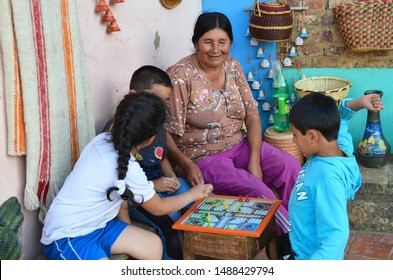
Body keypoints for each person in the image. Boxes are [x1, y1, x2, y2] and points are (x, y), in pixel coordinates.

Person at [164, 11, 301, 255]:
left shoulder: (233, 66)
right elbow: (166, 134)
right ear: (196, 42)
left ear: (230, 43)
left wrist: (255, 159)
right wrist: (186, 165)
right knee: (258, 192)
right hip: (203, 157)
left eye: (222, 42)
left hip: (240, 144)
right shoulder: (180, 76)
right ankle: (286, 246)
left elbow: (252, 116)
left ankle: (299, 230)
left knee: (289, 166)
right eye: (208, 42)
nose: (215, 49)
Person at [41, 92, 213, 260]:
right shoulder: (127, 167)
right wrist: (193, 194)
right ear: (151, 138)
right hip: (68, 235)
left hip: (100, 225)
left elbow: (120, 190)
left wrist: (126, 225)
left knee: (153, 245)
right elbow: (159, 207)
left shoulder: (102, 140)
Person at [102, 65, 192, 260]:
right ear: (133, 95)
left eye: (165, 101)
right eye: (155, 99)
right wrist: (154, 185)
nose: (161, 107)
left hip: (159, 185)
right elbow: (120, 186)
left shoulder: (156, 126)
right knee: (174, 223)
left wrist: (171, 176)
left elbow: (162, 156)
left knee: (199, 202)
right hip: (137, 197)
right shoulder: (119, 132)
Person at [288, 92, 383, 260]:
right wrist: (360, 102)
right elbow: (343, 119)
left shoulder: (327, 180)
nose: (294, 140)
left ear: (312, 136)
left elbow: (336, 237)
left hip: (308, 257)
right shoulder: (338, 145)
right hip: (299, 242)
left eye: (295, 135)